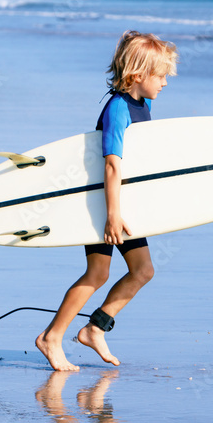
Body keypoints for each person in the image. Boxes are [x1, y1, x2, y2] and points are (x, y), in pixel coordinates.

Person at [36, 30, 179, 372]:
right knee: (97, 272)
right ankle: (51, 337)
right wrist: (112, 215)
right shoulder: (118, 109)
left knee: (142, 271)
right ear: (137, 76)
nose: (165, 83)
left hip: (124, 206)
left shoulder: (141, 104)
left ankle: (95, 327)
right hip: (103, 205)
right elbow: (112, 164)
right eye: (160, 76)